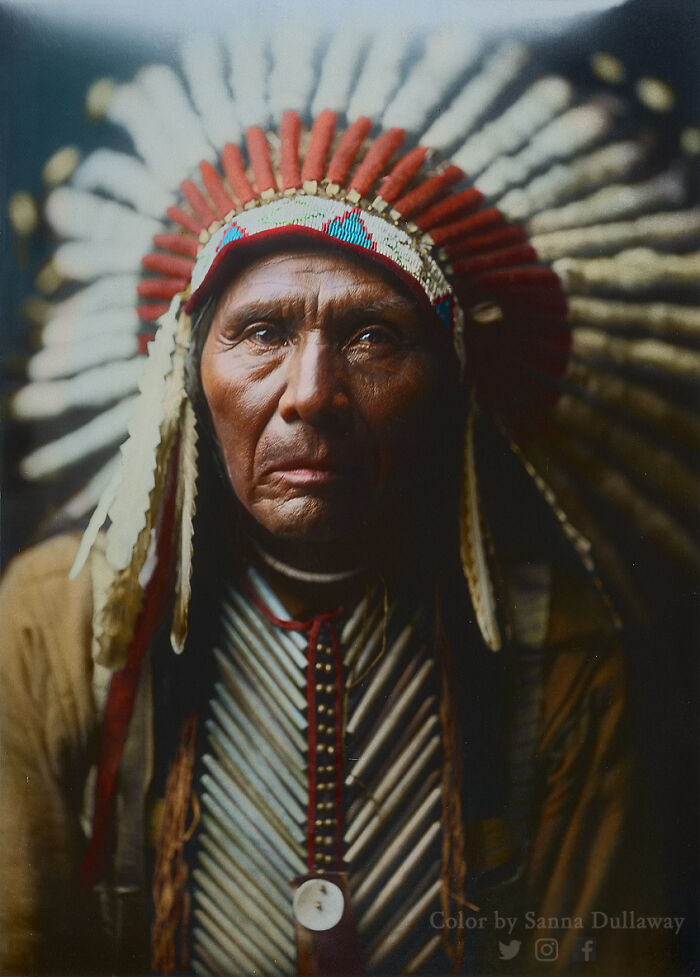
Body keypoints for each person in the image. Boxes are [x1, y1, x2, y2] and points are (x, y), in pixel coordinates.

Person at [0, 26, 692, 977]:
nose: (311, 393)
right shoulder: (62, 624)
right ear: (189, 377)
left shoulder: (554, 649)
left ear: (448, 382)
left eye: (372, 336)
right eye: (260, 331)